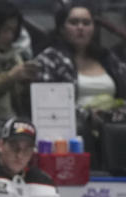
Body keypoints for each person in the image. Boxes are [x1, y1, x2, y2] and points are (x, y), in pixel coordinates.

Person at [32, 2, 126, 162]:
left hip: (115, 127)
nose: (81, 27)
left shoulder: (108, 58)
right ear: (62, 28)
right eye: (74, 22)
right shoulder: (50, 59)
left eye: (86, 23)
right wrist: (89, 116)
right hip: (72, 133)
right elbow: (51, 106)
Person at [0, 1, 37, 121]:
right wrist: (11, 77)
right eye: (5, 30)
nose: (9, 37)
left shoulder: (15, 58)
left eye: (13, 31)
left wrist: (26, 84)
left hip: (13, 120)